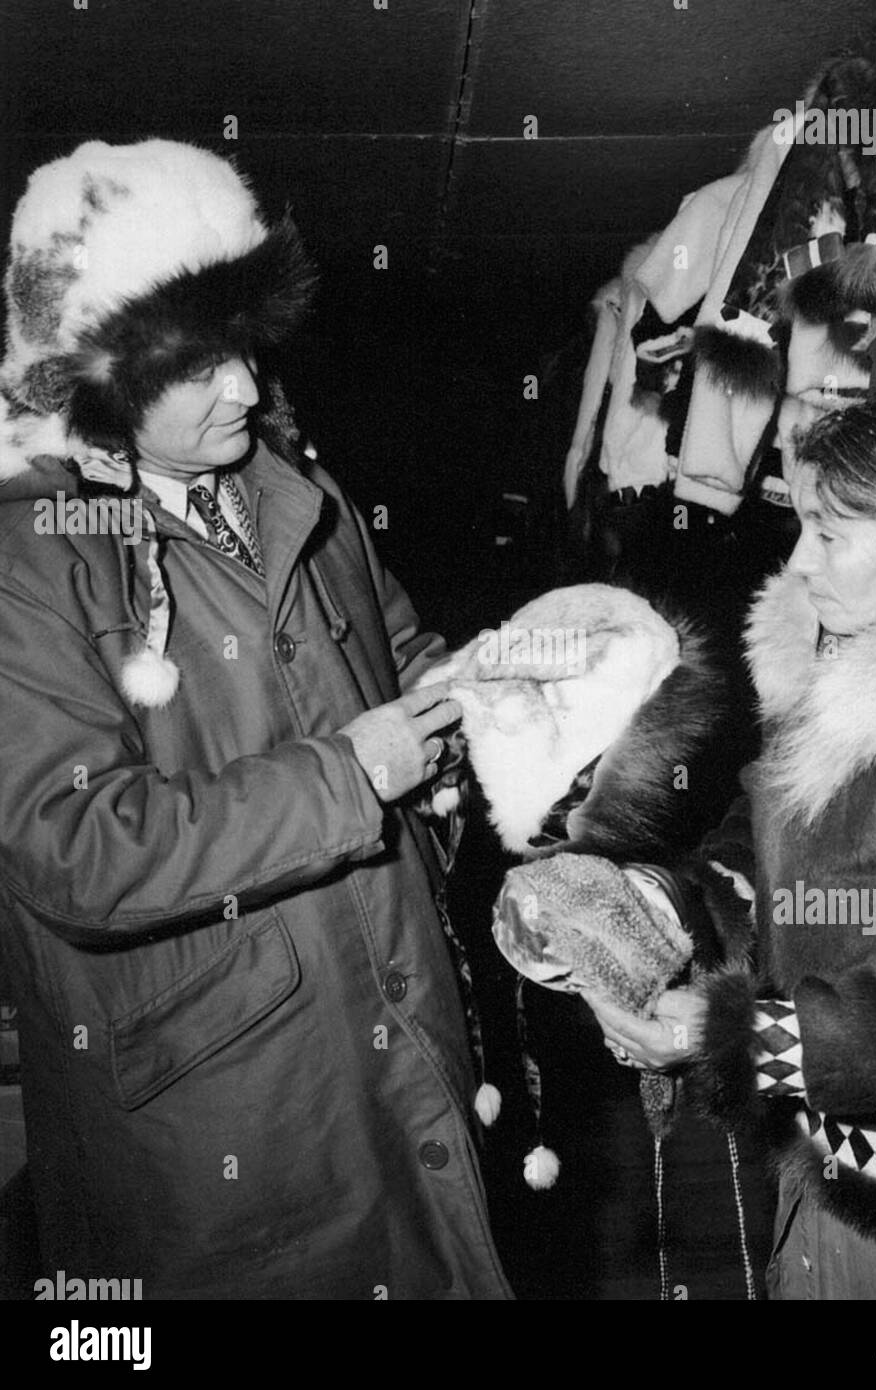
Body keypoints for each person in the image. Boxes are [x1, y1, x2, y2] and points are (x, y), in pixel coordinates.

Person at [0, 139, 511, 1299]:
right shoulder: (27, 561)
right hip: (224, 1121)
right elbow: (75, 845)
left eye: (244, 345)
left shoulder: (296, 487)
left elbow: (396, 651)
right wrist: (352, 774)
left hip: (396, 1021)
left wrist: (486, 691)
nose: (244, 386)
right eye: (199, 365)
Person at [589, 399, 876, 1299]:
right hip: (825, 1182)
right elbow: (779, 847)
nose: (799, 564)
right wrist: (667, 903)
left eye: (831, 534)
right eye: (802, 526)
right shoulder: (849, 684)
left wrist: (738, 1037)